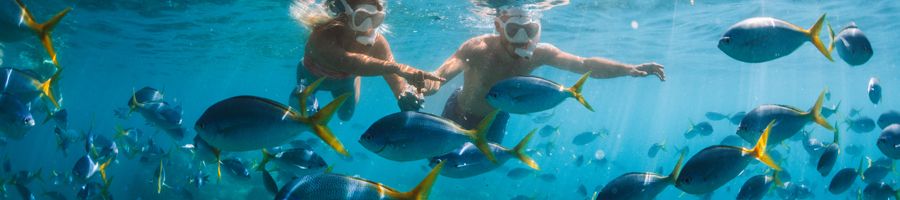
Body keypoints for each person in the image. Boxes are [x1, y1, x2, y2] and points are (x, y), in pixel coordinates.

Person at [422, 6, 665, 143]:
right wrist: (424, 87)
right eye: (513, 30)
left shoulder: (540, 53)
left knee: (488, 162)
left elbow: (584, 64)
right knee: (441, 161)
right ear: (498, 27)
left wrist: (628, 69)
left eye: (529, 30)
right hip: (460, 113)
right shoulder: (478, 48)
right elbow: (442, 73)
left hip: (497, 117)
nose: (523, 38)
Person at [290, 0, 443, 121]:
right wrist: (397, 68)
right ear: (339, 11)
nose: (368, 27)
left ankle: (356, 78)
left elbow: (396, 82)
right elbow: (347, 61)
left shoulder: (377, 43)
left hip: (344, 83)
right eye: (362, 17)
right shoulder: (321, 35)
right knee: (299, 109)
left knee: (346, 116)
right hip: (309, 78)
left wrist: (405, 95)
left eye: (376, 18)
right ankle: (356, 76)